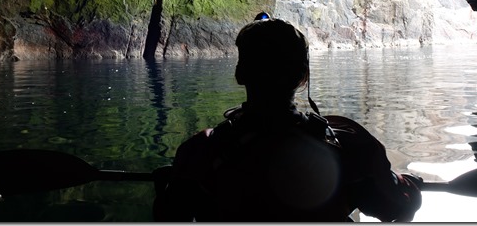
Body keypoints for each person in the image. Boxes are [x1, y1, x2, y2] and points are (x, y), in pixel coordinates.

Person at [153, 13, 422, 222]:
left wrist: (165, 187)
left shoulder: (200, 151)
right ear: (303, 77)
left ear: (240, 73)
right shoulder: (349, 146)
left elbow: (170, 217)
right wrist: (408, 186)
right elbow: (397, 206)